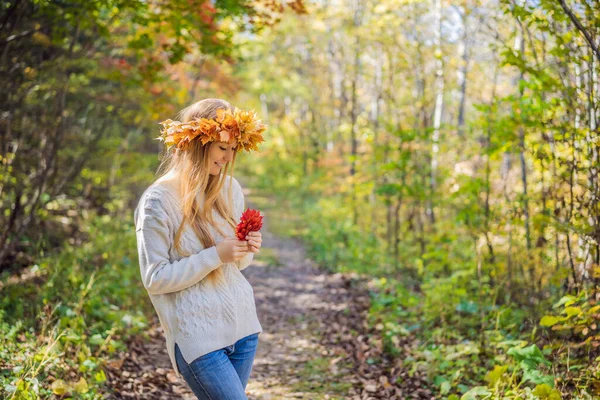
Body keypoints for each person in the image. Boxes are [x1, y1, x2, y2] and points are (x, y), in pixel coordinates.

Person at [133, 98, 267, 399]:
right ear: (198, 143)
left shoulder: (230, 189)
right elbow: (155, 279)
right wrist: (215, 255)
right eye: (222, 147)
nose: (228, 157)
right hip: (198, 339)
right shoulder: (158, 202)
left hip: (243, 328)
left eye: (233, 148)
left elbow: (237, 266)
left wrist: (245, 250)